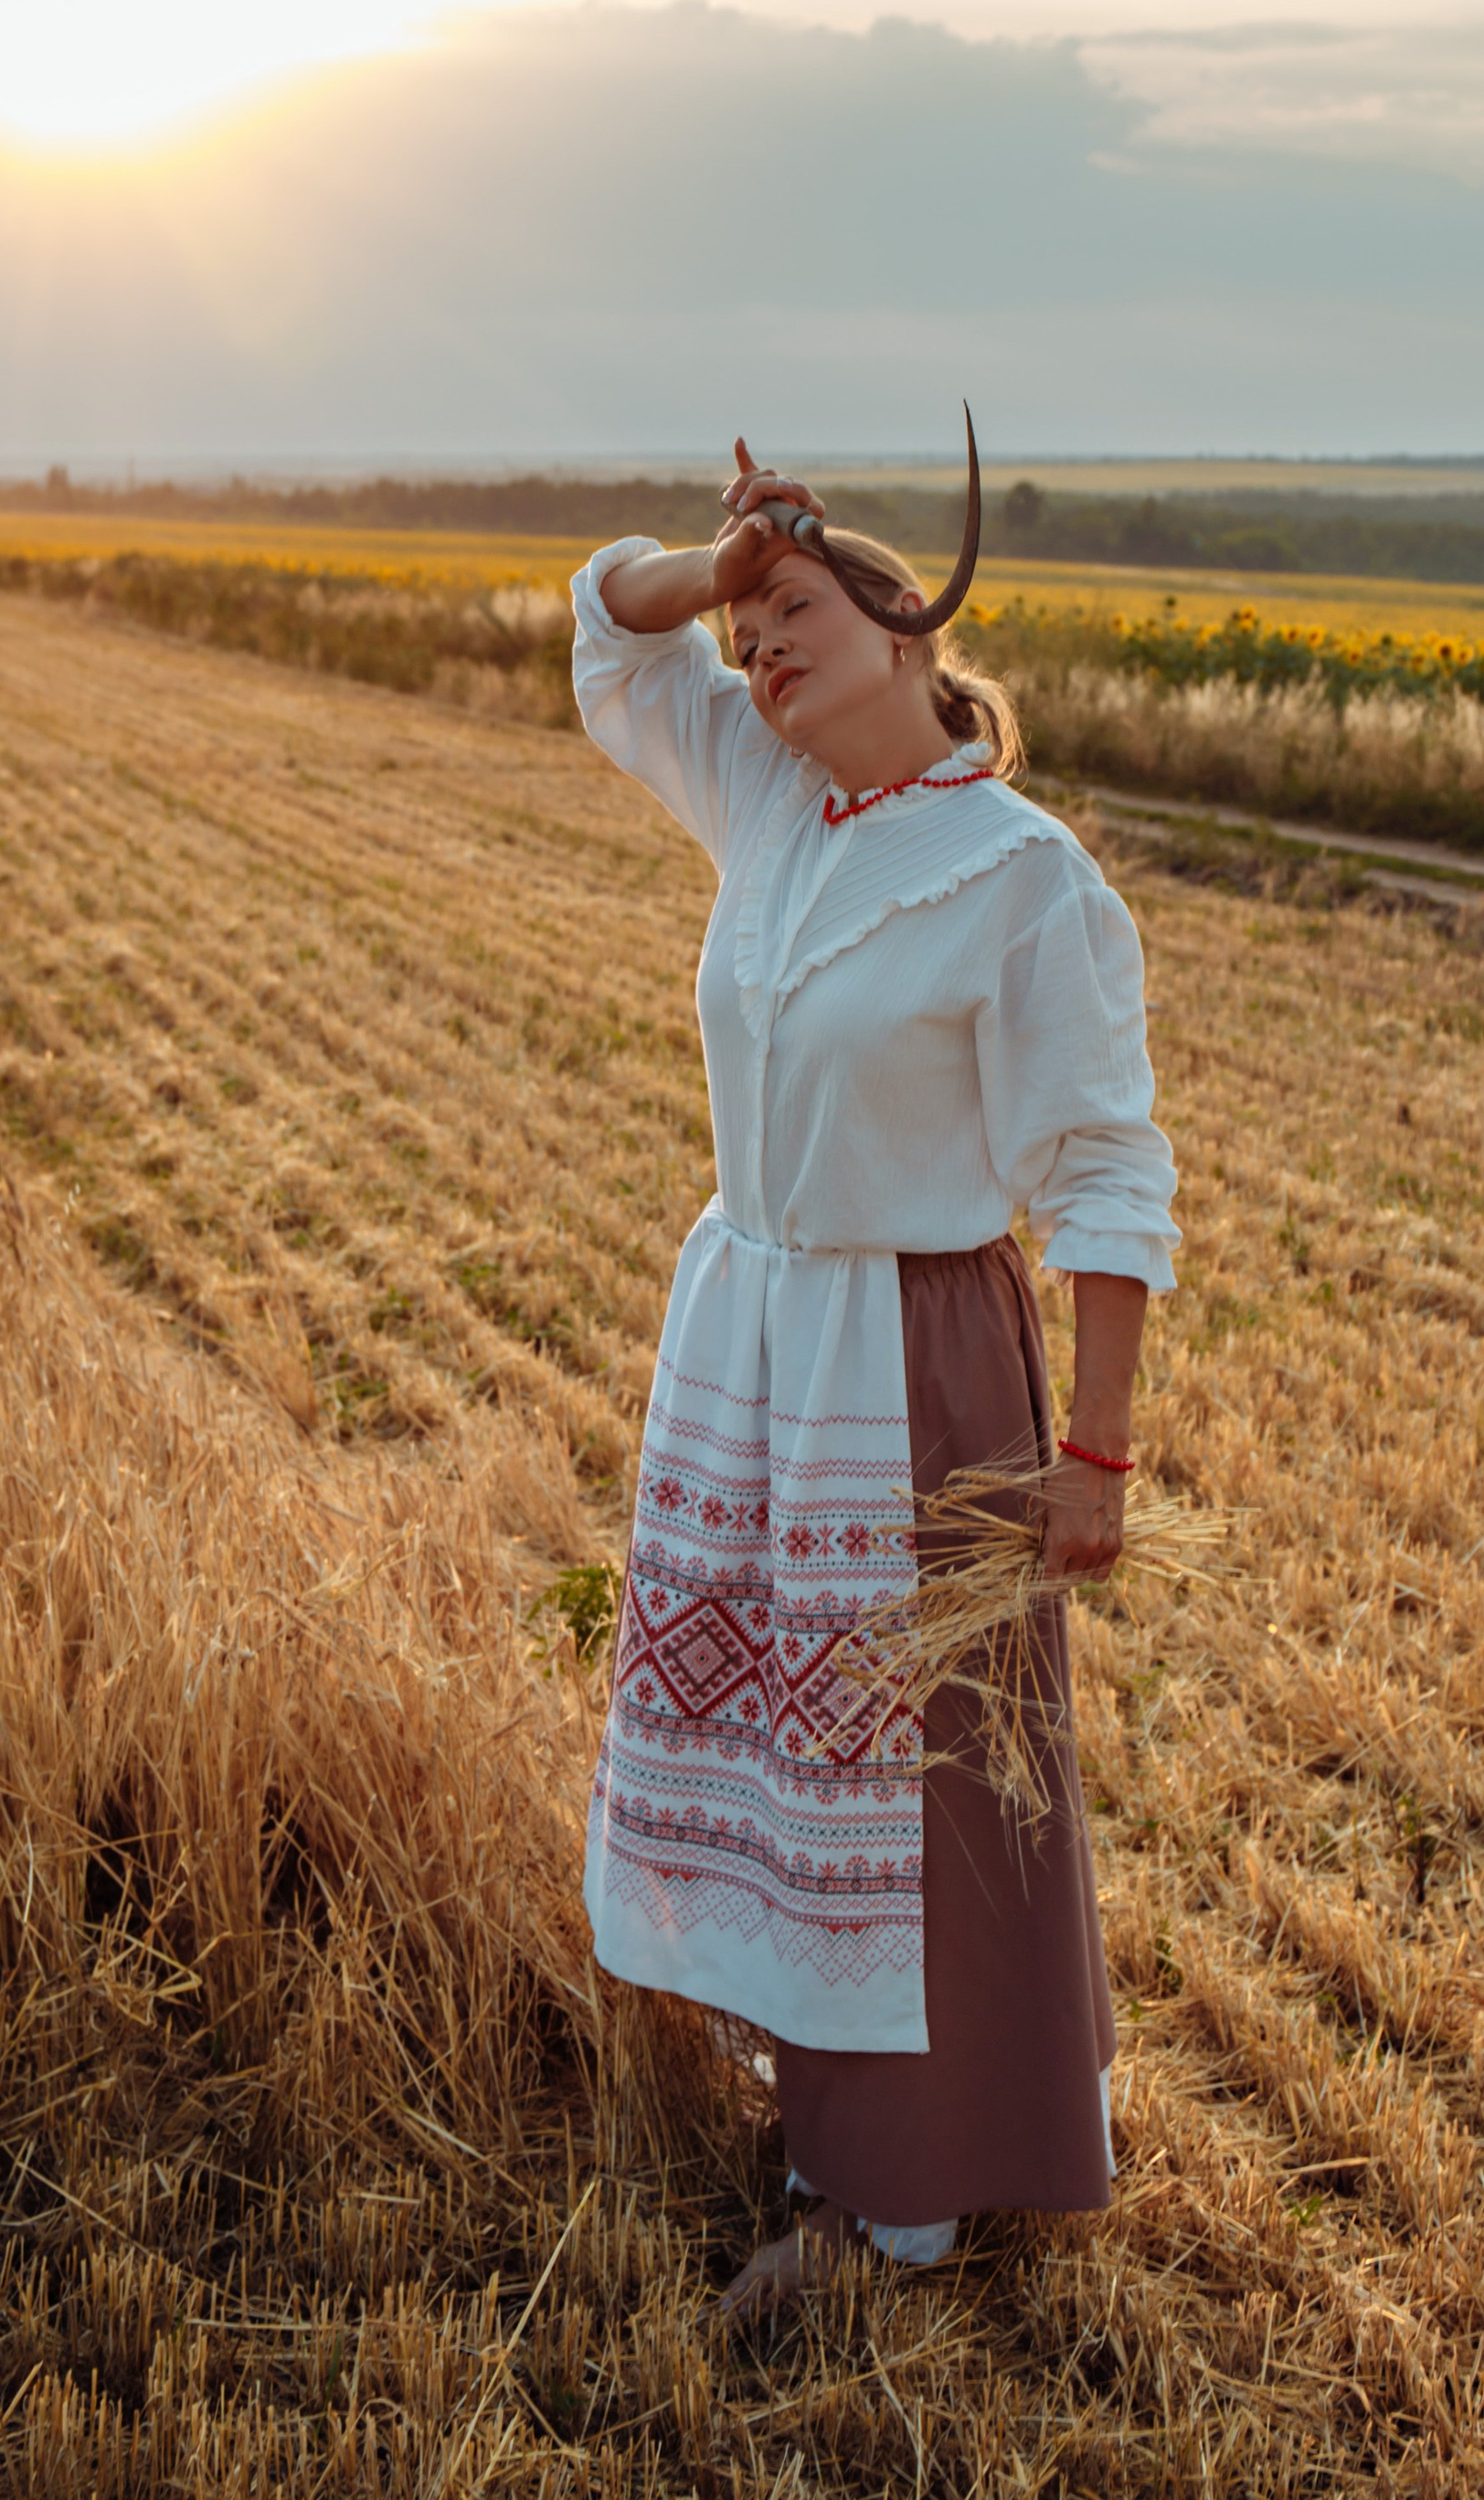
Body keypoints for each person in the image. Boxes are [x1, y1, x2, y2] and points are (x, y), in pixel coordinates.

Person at [571, 441, 1179, 2317]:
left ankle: (896, 2207)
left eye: (796, 616)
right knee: (787, 1746)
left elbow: (1104, 1169)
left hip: (913, 1356)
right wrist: (720, 558)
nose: (757, 655)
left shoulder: (1019, 875)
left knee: (910, 1786)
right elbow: (607, 631)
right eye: (750, 636)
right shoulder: (767, 803)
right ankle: (825, 2111)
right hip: (755, 1341)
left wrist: (1090, 1454)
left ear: (909, 625)